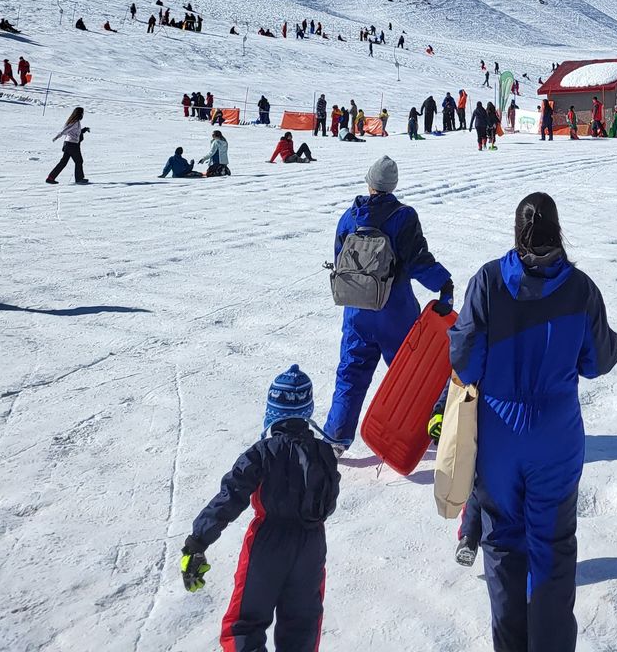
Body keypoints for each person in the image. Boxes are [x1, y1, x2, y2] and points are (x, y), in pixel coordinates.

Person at [449, 193, 617, 652]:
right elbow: (599, 360)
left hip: (499, 436)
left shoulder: (487, 281)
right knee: (552, 549)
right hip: (556, 436)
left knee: (503, 544)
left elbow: (464, 360)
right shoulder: (580, 288)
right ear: (558, 230)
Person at [180, 363, 338, 652]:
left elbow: (231, 494)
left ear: (272, 412)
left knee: (246, 622)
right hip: (312, 544)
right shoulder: (325, 452)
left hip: (267, 544)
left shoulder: (262, 453)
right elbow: (328, 502)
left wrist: (198, 540)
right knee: (302, 624)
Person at [323, 156, 453, 451]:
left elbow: (341, 258)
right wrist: (443, 284)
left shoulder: (349, 217)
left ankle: (336, 436)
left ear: (369, 182)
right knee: (410, 377)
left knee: (351, 372)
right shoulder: (403, 216)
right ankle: (418, 431)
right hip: (395, 312)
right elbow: (418, 260)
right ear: (392, 186)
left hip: (357, 308)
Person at [46, 107, 89, 184]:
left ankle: (50, 178)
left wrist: (83, 130)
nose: (83, 114)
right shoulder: (75, 122)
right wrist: (56, 137)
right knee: (79, 161)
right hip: (72, 145)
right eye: (82, 113)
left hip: (68, 144)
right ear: (79, 113)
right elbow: (65, 130)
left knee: (63, 162)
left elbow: (74, 132)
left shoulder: (75, 121)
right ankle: (79, 179)